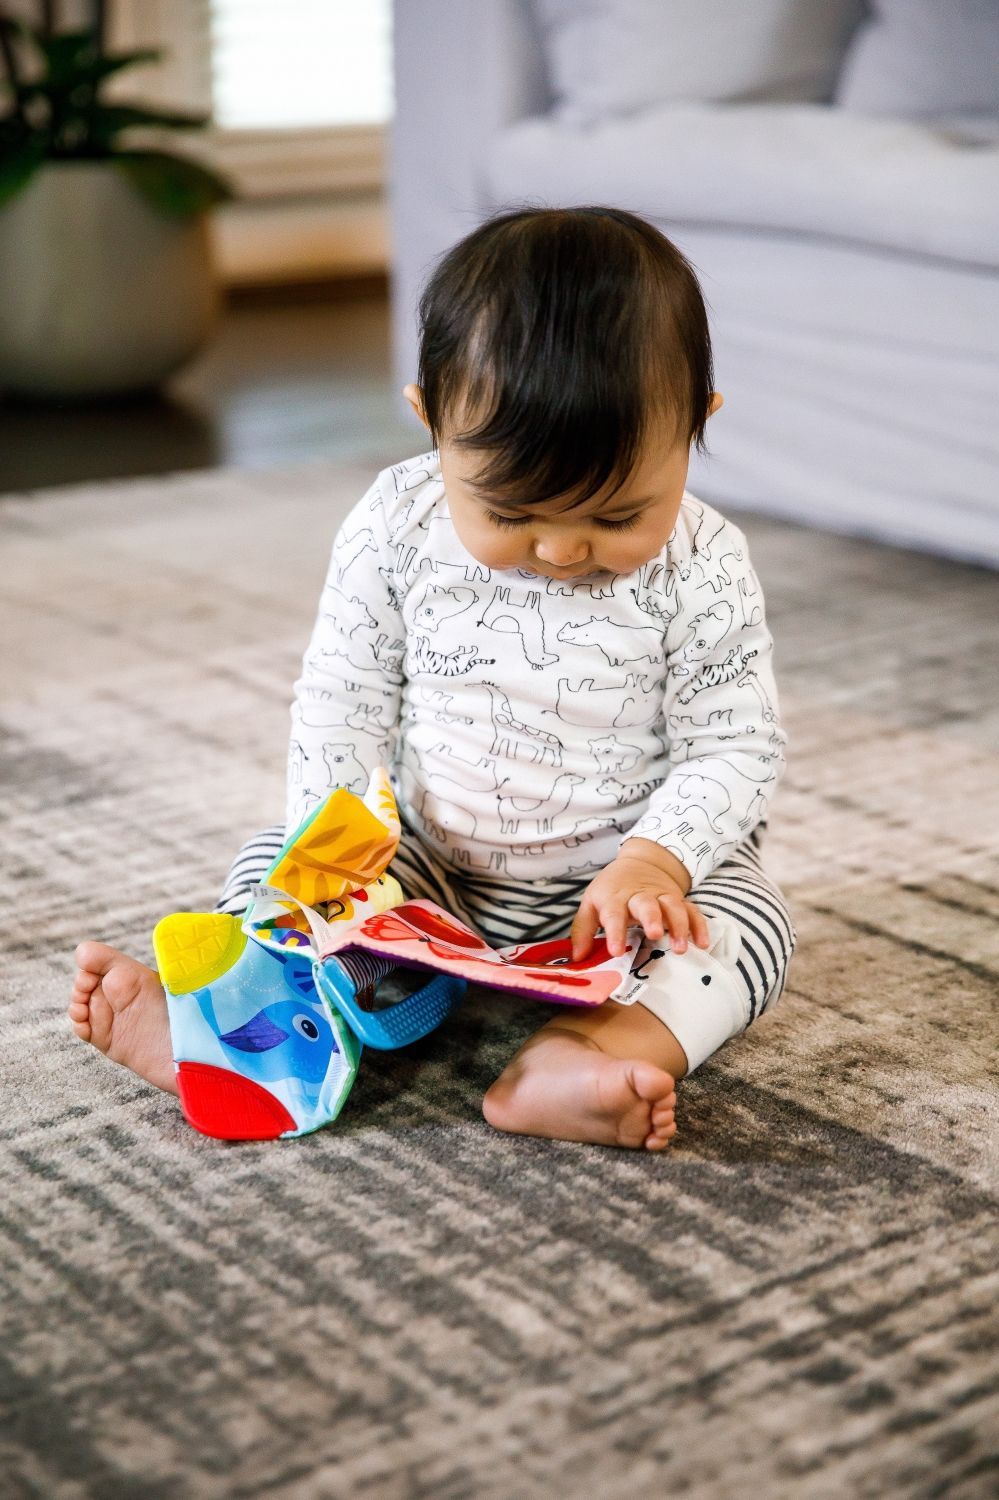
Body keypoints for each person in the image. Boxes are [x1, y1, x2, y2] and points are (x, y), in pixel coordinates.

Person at [70, 205, 797, 1151]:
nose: (563, 548)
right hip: (423, 863)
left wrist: (657, 861)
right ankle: (229, 1035)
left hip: (617, 894)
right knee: (275, 867)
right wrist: (332, 852)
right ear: (431, 423)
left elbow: (735, 742)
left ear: (698, 426)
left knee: (746, 928)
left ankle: (581, 1054)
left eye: (619, 516)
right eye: (509, 510)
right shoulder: (395, 524)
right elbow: (344, 693)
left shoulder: (705, 564)